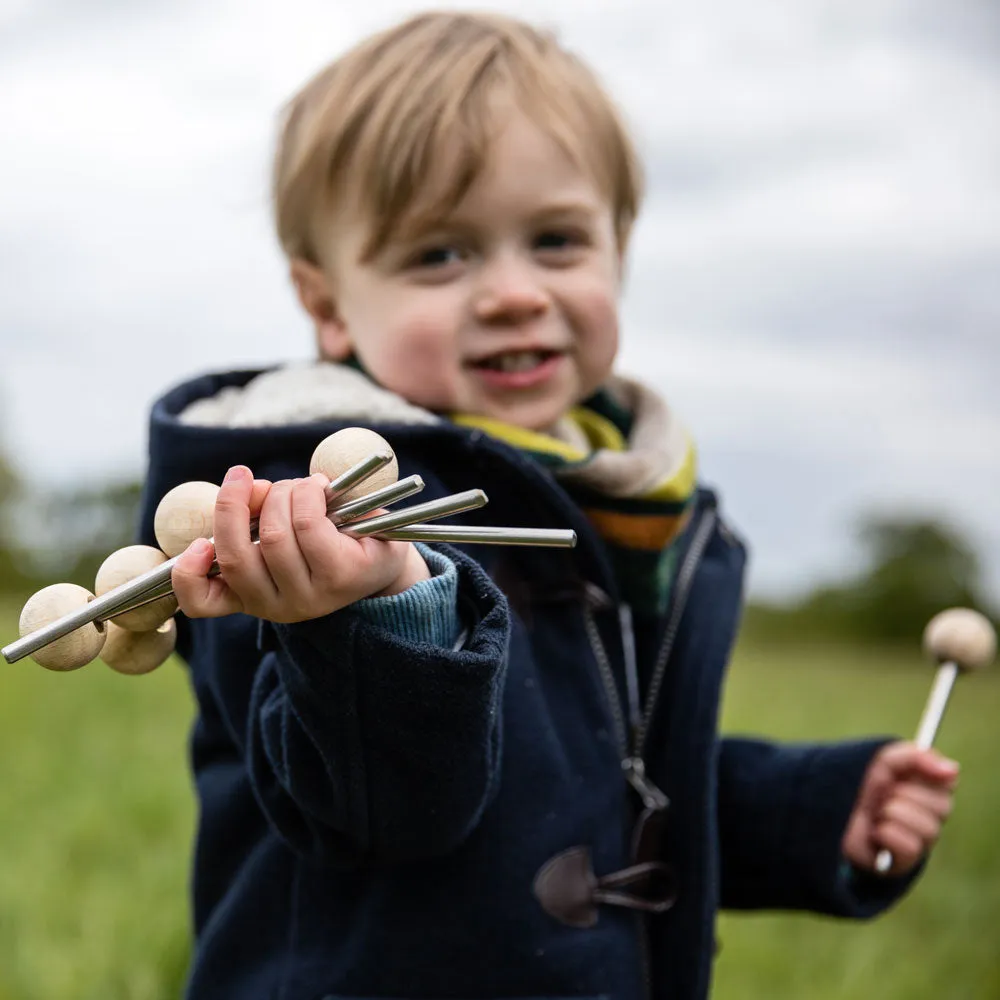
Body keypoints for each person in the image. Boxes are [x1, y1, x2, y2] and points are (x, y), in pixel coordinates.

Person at [139, 11, 959, 1000]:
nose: (513, 293)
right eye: (441, 254)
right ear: (326, 305)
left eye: (557, 240)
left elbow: (600, 780)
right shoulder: (296, 511)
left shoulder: (635, 507)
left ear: (620, 248)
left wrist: (811, 809)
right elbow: (369, 812)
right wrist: (369, 615)